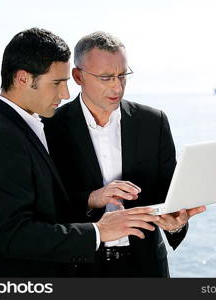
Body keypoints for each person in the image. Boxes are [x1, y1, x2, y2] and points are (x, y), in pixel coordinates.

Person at [0, 28, 158, 277]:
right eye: (57, 83)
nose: (65, 94)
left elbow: (40, 208)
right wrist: (99, 231)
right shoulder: (1, 139)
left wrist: (92, 199)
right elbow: (15, 236)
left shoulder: (12, 127)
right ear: (23, 79)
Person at [43, 31, 205, 277]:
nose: (117, 87)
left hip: (147, 267)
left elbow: (168, 195)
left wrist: (175, 223)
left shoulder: (153, 122)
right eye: (106, 77)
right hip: (78, 269)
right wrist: (92, 198)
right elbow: (46, 208)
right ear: (78, 76)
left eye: (122, 75)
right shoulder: (49, 128)